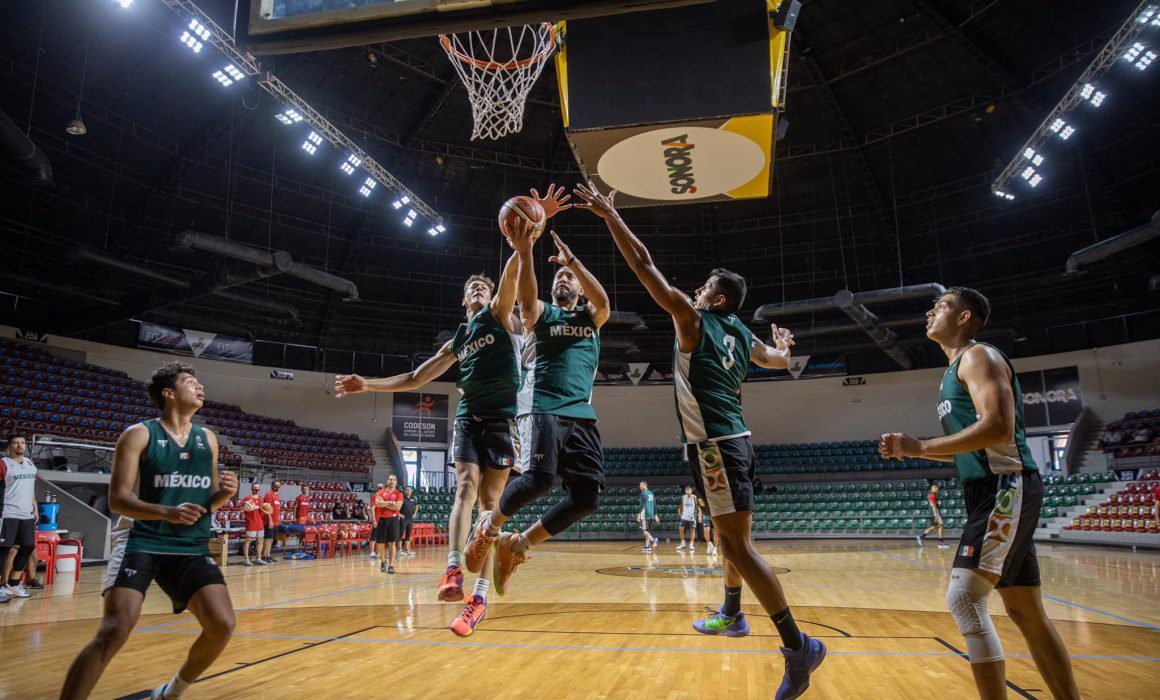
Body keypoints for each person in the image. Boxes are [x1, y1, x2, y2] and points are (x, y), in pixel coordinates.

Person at [573, 182, 823, 700]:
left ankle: (799, 647)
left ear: (719, 298)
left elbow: (644, 265)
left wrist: (610, 216)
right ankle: (732, 614)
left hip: (715, 445)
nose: (698, 289)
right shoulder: (741, 335)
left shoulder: (695, 319)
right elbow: (777, 361)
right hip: (731, 442)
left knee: (736, 545)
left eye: (707, 286)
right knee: (727, 537)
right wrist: (780, 348)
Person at [337, 185, 569, 636]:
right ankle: (451, 571)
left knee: (491, 506)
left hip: (503, 420)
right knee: (464, 488)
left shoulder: (500, 316)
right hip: (469, 418)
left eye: (483, 285)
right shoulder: (457, 341)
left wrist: (528, 240)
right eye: (472, 287)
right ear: (464, 300)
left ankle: (478, 601)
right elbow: (413, 380)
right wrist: (367, 384)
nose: (480, 288)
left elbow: (510, 276)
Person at [879, 287, 1080, 700]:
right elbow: (970, 443)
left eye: (941, 306)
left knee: (964, 599)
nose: (930, 312)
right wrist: (910, 448)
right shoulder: (952, 372)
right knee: (1026, 611)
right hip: (987, 488)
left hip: (1005, 484)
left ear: (965, 316)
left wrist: (921, 446)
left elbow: (999, 428)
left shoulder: (978, 356)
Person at [60, 362, 239, 700]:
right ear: (168, 394)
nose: (200, 388)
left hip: (190, 545)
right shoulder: (139, 434)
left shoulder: (208, 440)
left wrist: (224, 495)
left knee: (222, 625)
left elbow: (205, 504)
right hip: (141, 539)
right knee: (114, 629)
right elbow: (118, 500)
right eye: (191, 382)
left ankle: (171, 692)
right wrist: (166, 512)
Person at [465, 193, 611, 597]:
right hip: (541, 404)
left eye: (568, 280)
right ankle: (489, 527)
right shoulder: (542, 314)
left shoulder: (590, 318)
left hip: (581, 413)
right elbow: (526, 302)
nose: (562, 281)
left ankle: (519, 544)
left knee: (587, 499)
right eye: (558, 279)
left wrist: (573, 263)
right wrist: (526, 250)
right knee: (540, 479)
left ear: (578, 288)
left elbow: (605, 303)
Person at [1, 433, 38, 602]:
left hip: (27, 514)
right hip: (7, 513)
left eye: (22, 443)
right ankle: (1, 586)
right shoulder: (3, 463)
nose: (19, 446)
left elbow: (29, 488)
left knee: (28, 546)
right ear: (9, 446)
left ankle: (14, 583)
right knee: (3, 550)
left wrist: (35, 507)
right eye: (15, 443)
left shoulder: (30, 463)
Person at [371, 476, 404, 573]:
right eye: (390, 479)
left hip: (393, 520)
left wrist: (384, 503)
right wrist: (390, 502)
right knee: (380, 543)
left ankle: (391, 565)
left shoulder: (399, 494)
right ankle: (383, 561)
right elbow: (377, 504)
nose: (392, 481)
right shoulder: (381, 492)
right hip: (381, 519)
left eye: (394, 480)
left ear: (396, 482)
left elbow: (397, 507)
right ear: (387, 481)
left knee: (392, 543)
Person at [240, 482, 267, 566]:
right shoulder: (247, 498)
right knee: (248, 541)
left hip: (260, 523)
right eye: (255, 487)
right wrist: (246, 507)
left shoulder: (261, 499)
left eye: (258, 488)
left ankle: (258, 558)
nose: (256, 489)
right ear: (251, 488)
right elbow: (241, 509)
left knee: (260, 540)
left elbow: (264, 510)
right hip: (251, 522)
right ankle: (246, 559)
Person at [916, 483, 947, 549]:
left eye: (937, 487)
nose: (937, 488)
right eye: (935, 487)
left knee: (935, 527)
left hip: (933, 514)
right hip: (935, 514)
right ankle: (941, 543)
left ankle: (921, 537)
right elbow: (934, 506)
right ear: (932, 488)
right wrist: (936, 515)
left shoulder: (931, 495)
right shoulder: (933, 496)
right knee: (940, 526)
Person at [259, 481, 281, 563]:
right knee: (267, 539)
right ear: (272, 485)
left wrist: (278, 517)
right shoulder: (269, 494)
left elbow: (276, 508)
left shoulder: (277, 495)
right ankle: (264, 556)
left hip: (275, 521)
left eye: (278, 486)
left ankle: (268, 556)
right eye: (275, 486)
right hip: (269, 521)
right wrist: (270, 520)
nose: (277, 487)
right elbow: (267, 509)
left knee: (271, 540)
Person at [637, 481, 659, 553]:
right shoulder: (651, 493)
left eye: (641, 485)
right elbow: (655, 504)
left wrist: (639, 514)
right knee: (647, 531)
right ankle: (647, 546)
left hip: (645, 514)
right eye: (640, 485)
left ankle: (653, 540)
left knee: (644, 531)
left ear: (645, 486)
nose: (640, 486)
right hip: (651, 514)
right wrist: (655, 515)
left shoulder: (643, 493)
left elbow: (642, 505)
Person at [677, 485, 698, 553]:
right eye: (687, 490)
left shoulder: (694, 497)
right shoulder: (683, 497)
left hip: (692, 517)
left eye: (689, 490)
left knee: (692, 530)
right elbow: (680, 506)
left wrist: (697, 515)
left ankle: (691, 544)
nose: (688, 491)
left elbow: (697, 507)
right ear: (685, 491)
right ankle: (683, 543)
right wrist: (680, 514)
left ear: (691, 491)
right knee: (680, 529)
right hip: (684, 516)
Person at [366, 482, 384, 559]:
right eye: (379, 488)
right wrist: (373, 520)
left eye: (382, 488)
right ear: (377, 489)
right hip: (377, 519)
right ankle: (371, 552)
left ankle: (377, 552)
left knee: (380, 537)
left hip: (383, 519)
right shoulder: (375, 496)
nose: (381, 489)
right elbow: (372, 509)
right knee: (374, 536)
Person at [399, 486, 418, 557]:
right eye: (407, 490)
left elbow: (416, 506)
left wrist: (415, 513)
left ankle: (407, 550)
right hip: (403, 519)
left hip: (410, 519)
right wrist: (400, 514)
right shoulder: (402, 498)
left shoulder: (413, 499)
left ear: (411, 491)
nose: (408, 491)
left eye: (409, 490)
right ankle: (400, 551)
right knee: (400, 535)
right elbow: (397, 507)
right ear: (405, 491)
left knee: (408, 535)